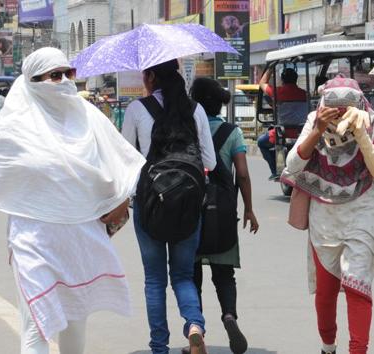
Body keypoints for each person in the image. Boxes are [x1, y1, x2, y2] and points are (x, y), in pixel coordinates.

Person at [0, 47, 145, 354]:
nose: (64, 82)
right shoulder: (14, 126)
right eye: (54, 76)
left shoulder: (87, 118)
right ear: (33, 81)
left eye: (68, 74)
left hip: (81, 240)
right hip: (34, 243)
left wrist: (119, 201)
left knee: (75, 322)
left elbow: (118, 164)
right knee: (36, 326)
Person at [282, 77, 374, 354]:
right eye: (334, 109)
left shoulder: (372, 122)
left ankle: (358, 350)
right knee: (326, 289)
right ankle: (328, 345)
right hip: (325, 213)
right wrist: (318, 130)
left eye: (345, 109)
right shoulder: (315, 120)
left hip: (362, 209)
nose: (340, 116)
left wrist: (362, 136)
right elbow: (293, 164)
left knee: (358, 285)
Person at [121, 59, 216, 354]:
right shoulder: (196, 110)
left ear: (150, 77)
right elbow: (209, 162)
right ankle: (194, 325)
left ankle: (159, 347)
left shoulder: (137, 109)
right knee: (183, 275)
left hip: (149, 204)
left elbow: (125, 159)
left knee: (154, 280)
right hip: (188, 202)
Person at [189, 78, 259, 354]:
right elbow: (241, 173)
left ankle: (197, 330)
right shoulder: (233, 133)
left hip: (191, 211)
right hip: (223, 211)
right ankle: (229, 315)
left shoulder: (188, 128)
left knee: (191, 273)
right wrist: (250, 209)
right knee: (224, 273)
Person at [257, 67, 308, 180]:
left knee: (261, 142)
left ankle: (275, 171)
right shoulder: (305, 94)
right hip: (302, 132)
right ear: (296, 79)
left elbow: (262, 83)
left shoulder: (277, 92)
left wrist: (270, 68)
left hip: (282, 133)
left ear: (283, 80)